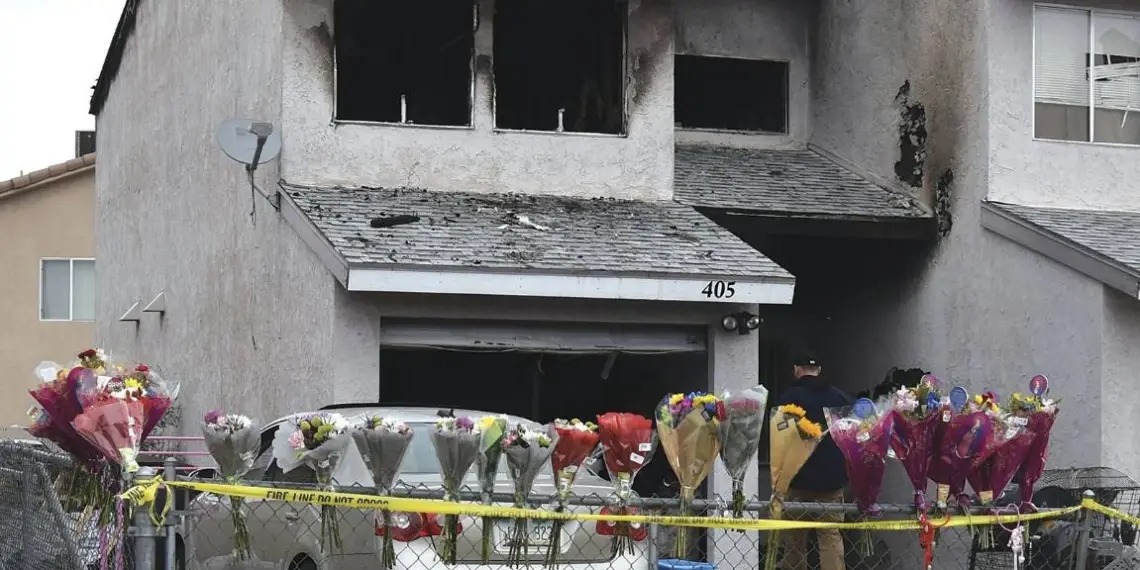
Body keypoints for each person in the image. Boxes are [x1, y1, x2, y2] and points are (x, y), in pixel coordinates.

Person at [777, 352, 852, 570]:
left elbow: (780, 437)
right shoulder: (839, 398)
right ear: (819, 370)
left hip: (797, 479)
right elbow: (848, 437)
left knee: (794, 537)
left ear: (796, 370)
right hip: (832, 480)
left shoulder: (788, 398)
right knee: (830, 534)